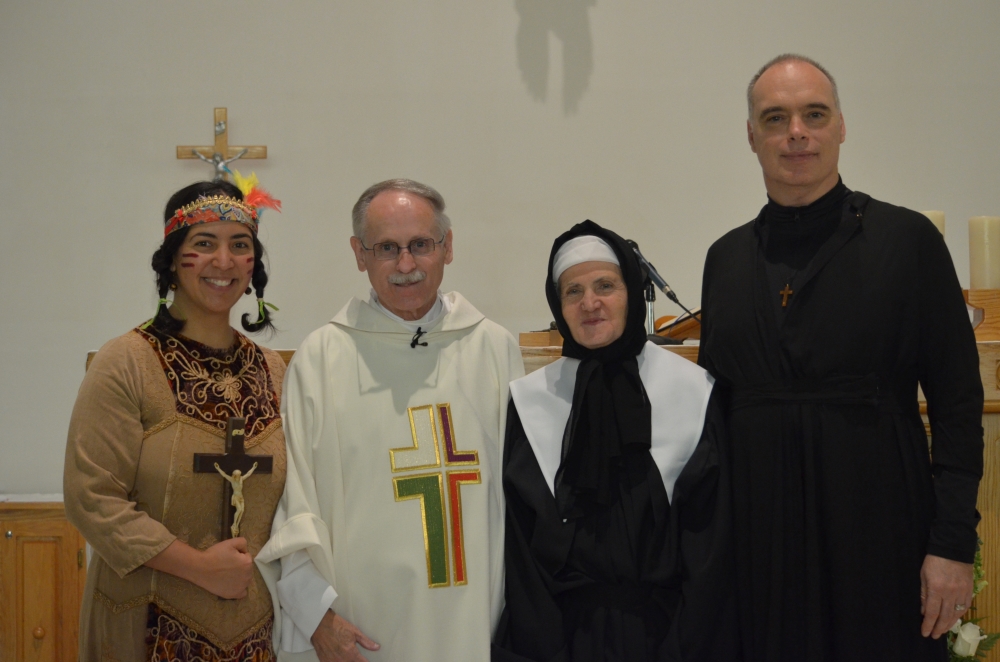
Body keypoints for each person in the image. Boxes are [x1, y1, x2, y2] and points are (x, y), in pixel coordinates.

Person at [698, 53, 984, 661]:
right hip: (759, 546)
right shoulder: (724, 260)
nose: (796, 132)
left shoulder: (908, 242)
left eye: (814, 114)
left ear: (841, 126)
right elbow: (713, 420)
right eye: (775, 118)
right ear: (751, 136)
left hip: (882, 530)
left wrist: (953, 544)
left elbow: (959, 405)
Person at [256, 179, 524, 661]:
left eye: (420, 244)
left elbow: (524, 502)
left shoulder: (493, 349)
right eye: (386, 248)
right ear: (359, 254)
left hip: (473, 625)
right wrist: (316, 617)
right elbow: (293, 501)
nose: (405, 265)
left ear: (447, 246)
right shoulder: (322, 358)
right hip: (360, 632)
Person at [493, 220, 739, 662]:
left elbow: (710, 545)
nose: (590, 303)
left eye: (605, 286)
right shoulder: (530, 401)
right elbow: (522, 554)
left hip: (670, 639)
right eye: (573, 291)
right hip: (560, 641)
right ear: (558, 306)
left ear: (632, 294)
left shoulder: (691, 390)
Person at [64, 177, 286, 660]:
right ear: (170, 260)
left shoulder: (273, 371)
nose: (223, 261)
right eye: (203, 244)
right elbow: (92, 498)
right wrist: (200, 567)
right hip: (145, 625)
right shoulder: (127, 362)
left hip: (255, 631)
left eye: (240, 245)